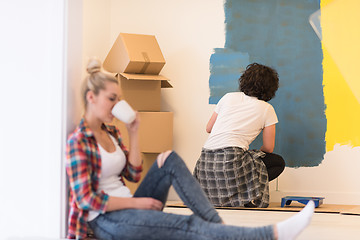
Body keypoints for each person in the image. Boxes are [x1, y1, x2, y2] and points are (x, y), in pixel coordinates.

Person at [66, 58, 313, 240]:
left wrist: (133, 131)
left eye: (119, 99)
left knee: (169, 158)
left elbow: (134, 175)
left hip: (155, 190)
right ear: (91, 98)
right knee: (188, 226)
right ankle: (270, 235)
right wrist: (138, 205)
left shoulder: (112, 132)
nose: (118, 105)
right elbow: (87, 200)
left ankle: (219, 229)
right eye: (112, 99)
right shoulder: (79, 141)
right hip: (107, 221)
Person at [194, 63, 285, 208]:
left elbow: (209, 128)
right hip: (230, 162)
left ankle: (224, 197)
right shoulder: (267, 109)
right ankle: (249, 198)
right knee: (277, 162)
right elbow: (268, 148)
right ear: (271, 88)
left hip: (204, 165)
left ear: (244, 80)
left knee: (248, 161)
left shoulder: (228, 97)